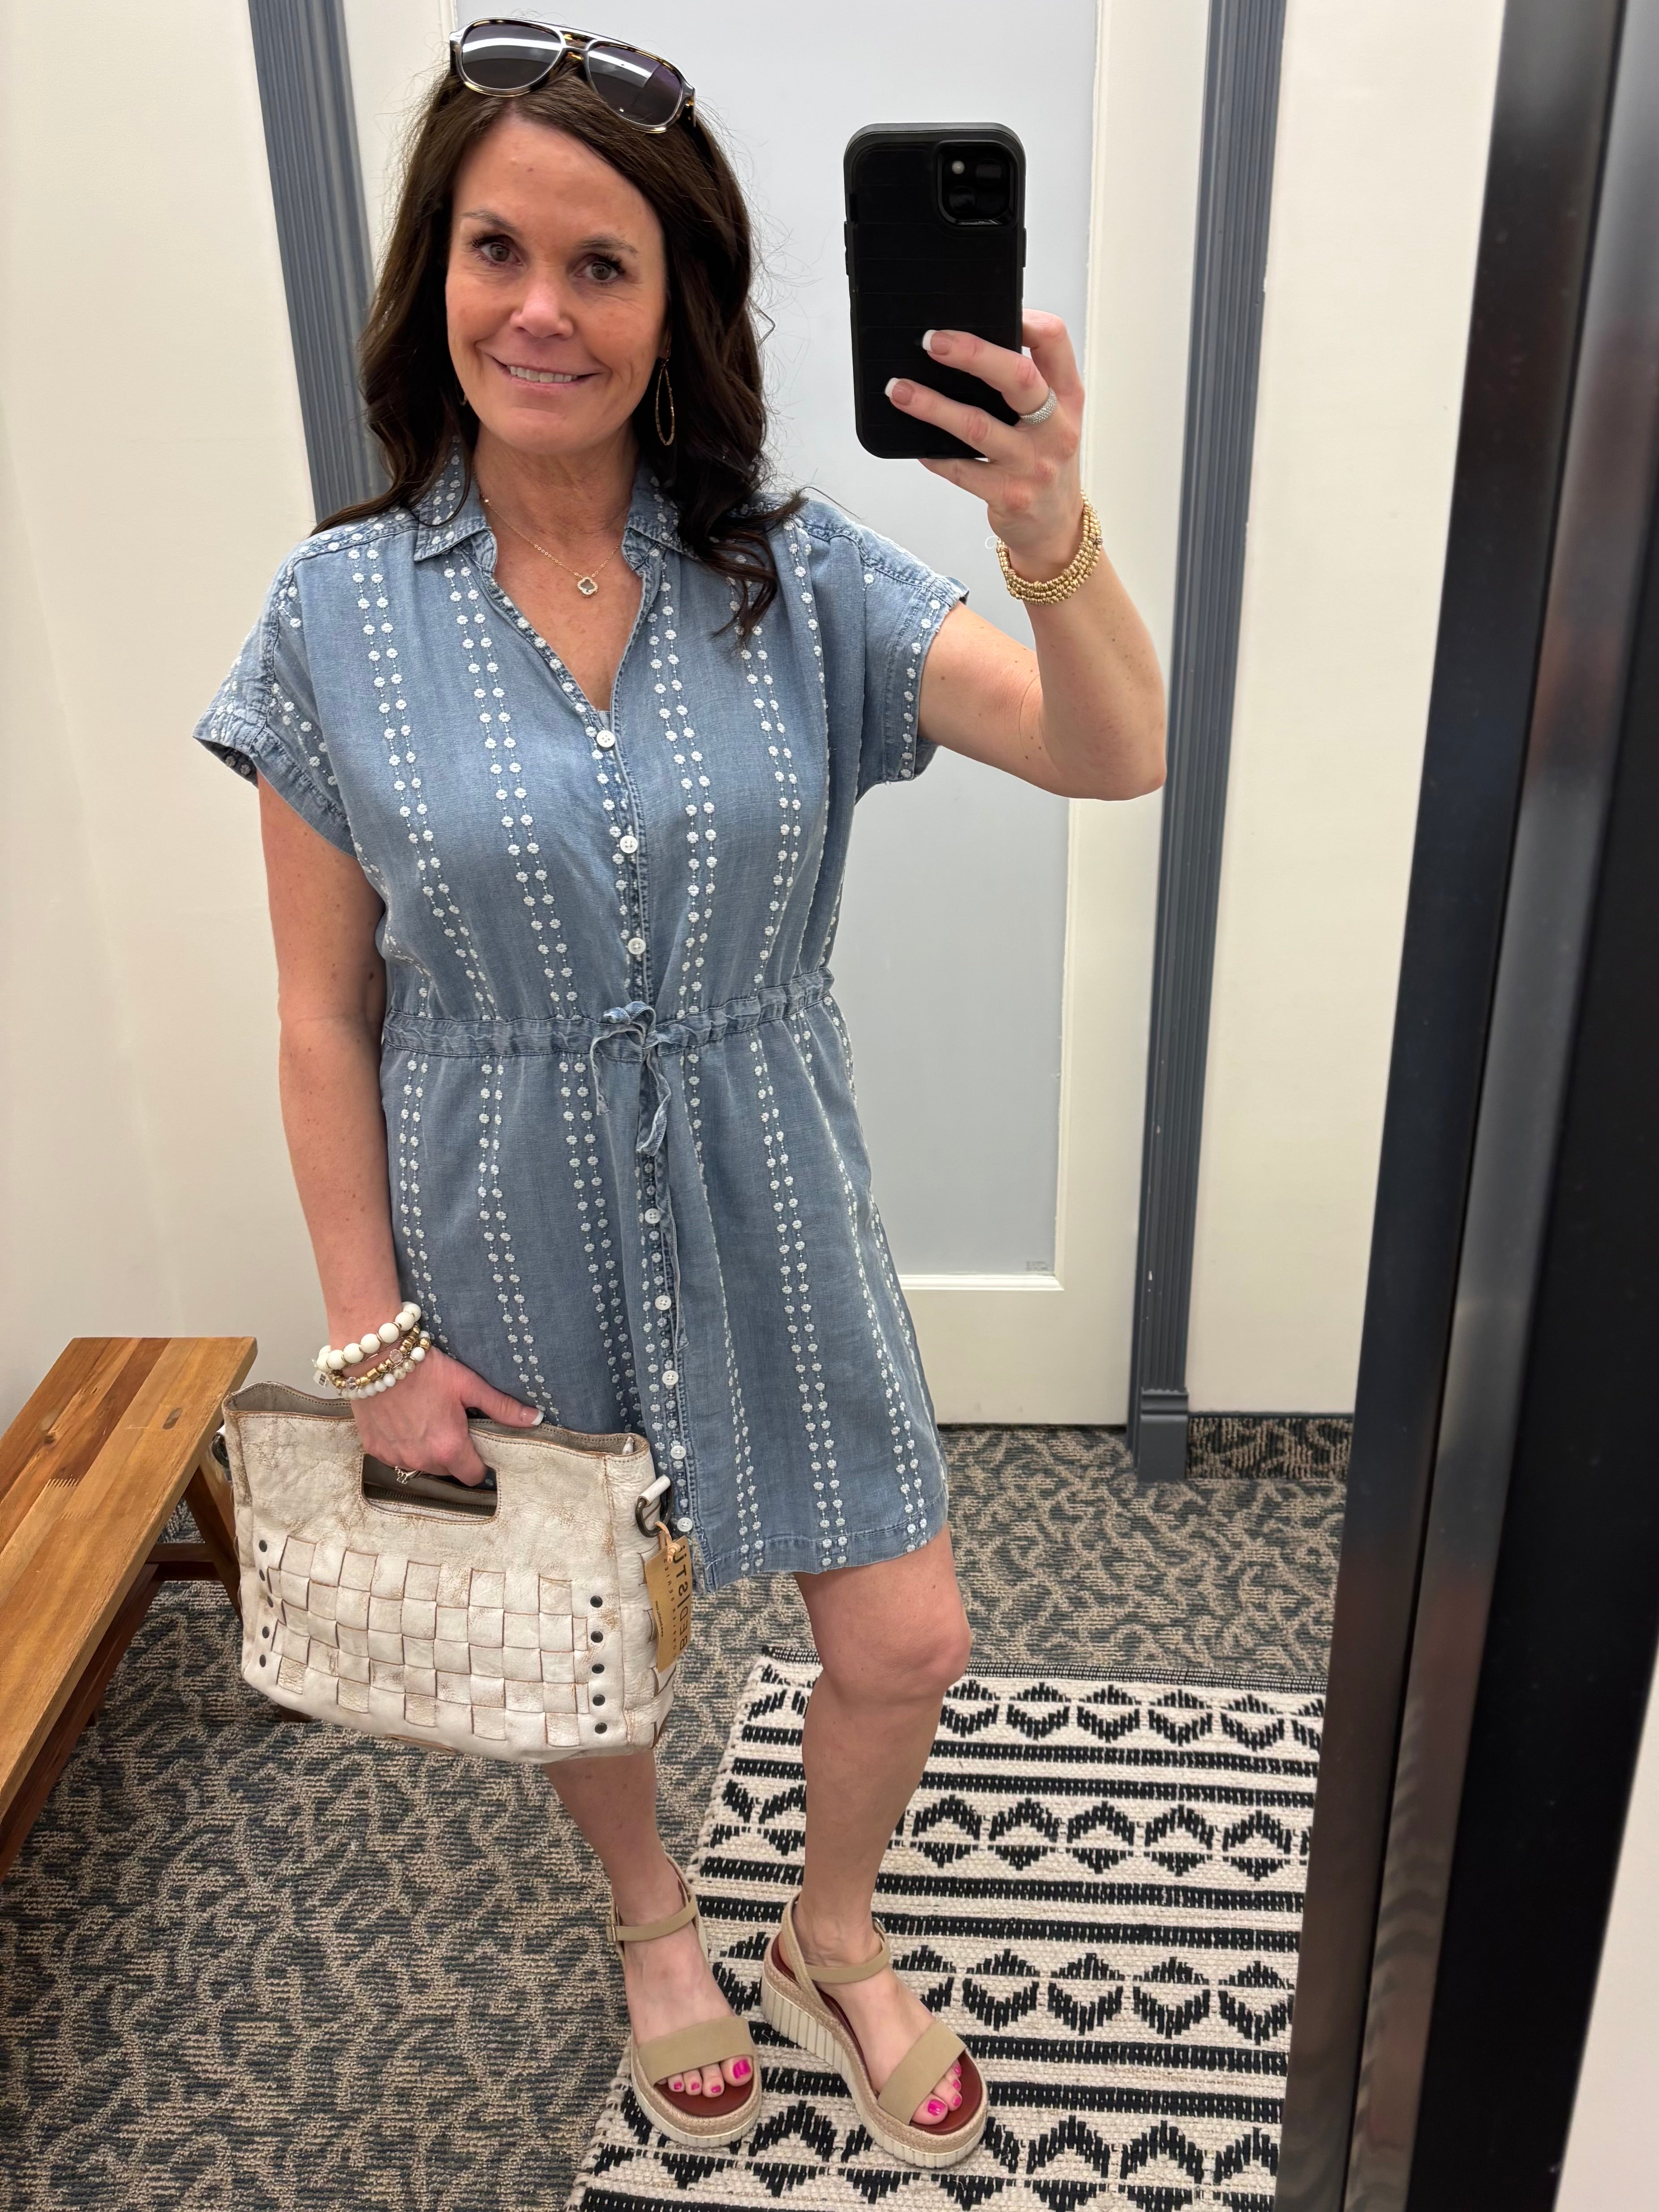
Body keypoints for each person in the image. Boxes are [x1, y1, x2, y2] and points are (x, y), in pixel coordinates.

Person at [194, 18, 1163, 2171]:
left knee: (906, 1631)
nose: (540, 309)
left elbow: (1112, 750)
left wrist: (1047, 522)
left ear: (676, 303)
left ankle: (830, 1926)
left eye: (601, 263)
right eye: (496, 250)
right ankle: (653, 1917)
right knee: (580, 1635)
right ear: (434, 275)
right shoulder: (333, 613)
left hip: (769, 1174)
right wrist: (369, 1335)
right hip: (496, 1188)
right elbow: (320, 1013)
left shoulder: (791, 571)